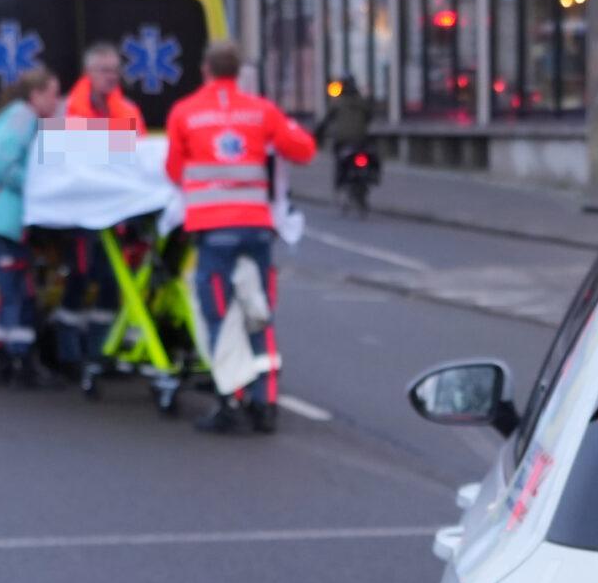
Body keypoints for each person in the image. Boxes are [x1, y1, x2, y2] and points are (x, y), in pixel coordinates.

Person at [165, 41, 316, 434]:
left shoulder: (185, 112)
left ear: (205, 70)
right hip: (256, 230)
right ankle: (264, 403)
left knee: (219, 316)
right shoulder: (261, 110)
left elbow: (174, 170)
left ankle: (230, 401)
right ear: (237, 72)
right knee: (258, 312)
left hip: (212, 232)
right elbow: (303, 150)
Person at [50, 43, 147, 383]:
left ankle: (100, 351)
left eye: (115, 70)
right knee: (78, 277)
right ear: (88, 73)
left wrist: (96, 145)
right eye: (104, 70)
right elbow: (56, 154)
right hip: (79, 214)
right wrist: (112, 144)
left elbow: (138, 157)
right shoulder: (67, 110)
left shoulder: (128, 109)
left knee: (110, 283)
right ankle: (68, 354)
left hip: (117, 213)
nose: (111, 76)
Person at [0, 67, 62, 387]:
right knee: (18, 291)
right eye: (53, 94)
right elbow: (2, 159)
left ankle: (6, 358)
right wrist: (35, 187)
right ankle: (21, 362)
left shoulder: (21, 117)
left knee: (13, 290)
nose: (57, 102)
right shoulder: (22, 117)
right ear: (36, 95)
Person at [315, 76, 378, 190]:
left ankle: (339, 184)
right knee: (373, 154)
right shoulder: (361, 101)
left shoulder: (338, 102)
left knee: (338, 159)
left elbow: (326, 121)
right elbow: (370, 116)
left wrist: (317, 135)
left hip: (343, 140)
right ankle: (373, 176)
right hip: (361, 140)